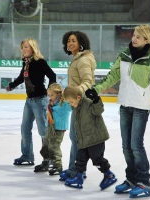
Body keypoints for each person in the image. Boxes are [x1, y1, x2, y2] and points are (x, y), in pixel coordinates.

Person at [86, 24, 150, 198]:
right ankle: (131, 179)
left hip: (141, 108)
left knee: (136, 146)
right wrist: (96, 89)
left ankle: (144, 182)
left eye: (138, 37)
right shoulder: (124, 56)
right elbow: (112, 76)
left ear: (146, 40)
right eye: (134, 35)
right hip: (125, 106)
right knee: (126, 147)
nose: (133, 38)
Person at [6, 38, 56, 166]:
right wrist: (11, 86)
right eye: (22, 47)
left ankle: (49, 158)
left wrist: (51, 90)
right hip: (29, 101)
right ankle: (27, 156)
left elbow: (52, 75)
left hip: (40, 101)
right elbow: (21, 78)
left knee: (43, 130)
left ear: (33, 48)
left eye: (26, 47)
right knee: (25, 128)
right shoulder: (26, 62)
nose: (23, 49)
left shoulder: (40, 62)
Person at [62, 86, 117, 190]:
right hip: (84, 140)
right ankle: (79, 178)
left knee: (97, 159)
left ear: (78, 97)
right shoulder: (76, 107)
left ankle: (109, 175)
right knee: (80, 159)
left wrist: (96, 99)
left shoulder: (87, 103)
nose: (70, 104)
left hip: (95, 139)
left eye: (71, 102)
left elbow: (98, 110)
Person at [59, 31, 96, 181]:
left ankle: (77, 169)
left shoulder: (82, 60)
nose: (70, 43)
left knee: (76, 138)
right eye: (68, 41)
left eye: (73, 41)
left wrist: (75, 92)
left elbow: (88, 82)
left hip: (82, 103)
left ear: (81, 43)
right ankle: (76, 168)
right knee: (76, 137)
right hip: (78, 102)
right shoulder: (77, 59)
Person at [34, 83, 72, 175]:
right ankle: (46, 163)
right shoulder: (51, 102)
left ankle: (58, 166)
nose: (50, 97)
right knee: (45, 146)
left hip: (58, 129)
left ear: (59, 94)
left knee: (54, 147)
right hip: (50, 127)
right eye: (49, 95)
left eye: (52, 95)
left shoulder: (65, 104)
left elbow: (72, 104)